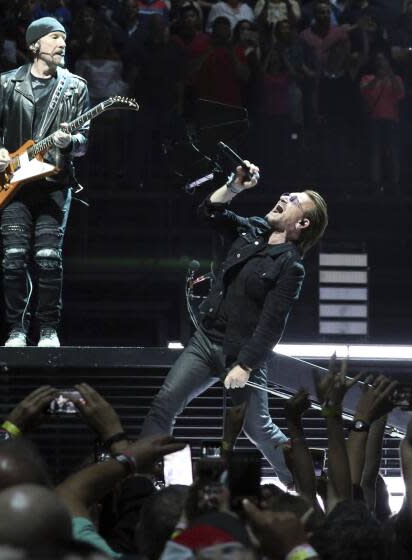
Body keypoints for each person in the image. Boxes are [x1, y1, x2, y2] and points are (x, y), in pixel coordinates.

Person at [140, 162, 328, 485]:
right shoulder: (253, 230)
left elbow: (271, 325)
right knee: (164, 403)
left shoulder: (291, 267)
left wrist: (244, 365)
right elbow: (210, 213)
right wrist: (234, 187)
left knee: (258, 427)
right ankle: (144, 476)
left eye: (293, 200)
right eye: (287, 194)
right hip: (206, 341)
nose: (284, 196)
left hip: (244, 355)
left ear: (302, 222)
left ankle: (305, 482)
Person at [0, 16, 90, 347]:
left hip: (55, 185)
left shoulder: (75, 86)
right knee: (14, 257)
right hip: (15, 184)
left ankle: (48, 330)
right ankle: (16, 328)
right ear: (34, 45)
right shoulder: (8, 82)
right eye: (55, 37)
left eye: (64, 38)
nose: (62, 44)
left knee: (48, 257)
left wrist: (69, 143)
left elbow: (85, 140)